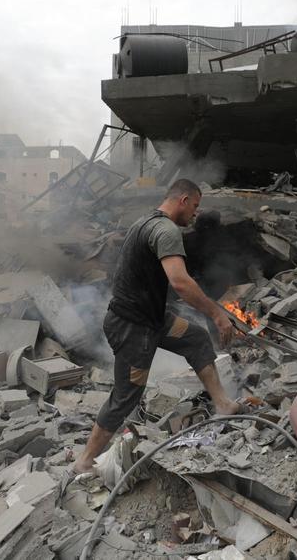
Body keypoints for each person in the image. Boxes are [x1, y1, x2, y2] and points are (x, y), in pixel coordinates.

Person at [73, 178, 240, 474]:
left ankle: (223, 404)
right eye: (196, 207)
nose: (196, 214)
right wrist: (217, 313)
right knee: (127, 395)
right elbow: (179, 281)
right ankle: (85, 460)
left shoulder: (146, 223)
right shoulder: (166, 230)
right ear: (184, 200)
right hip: (133, 327)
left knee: (196, 339)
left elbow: (162, 279)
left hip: (153, 320)